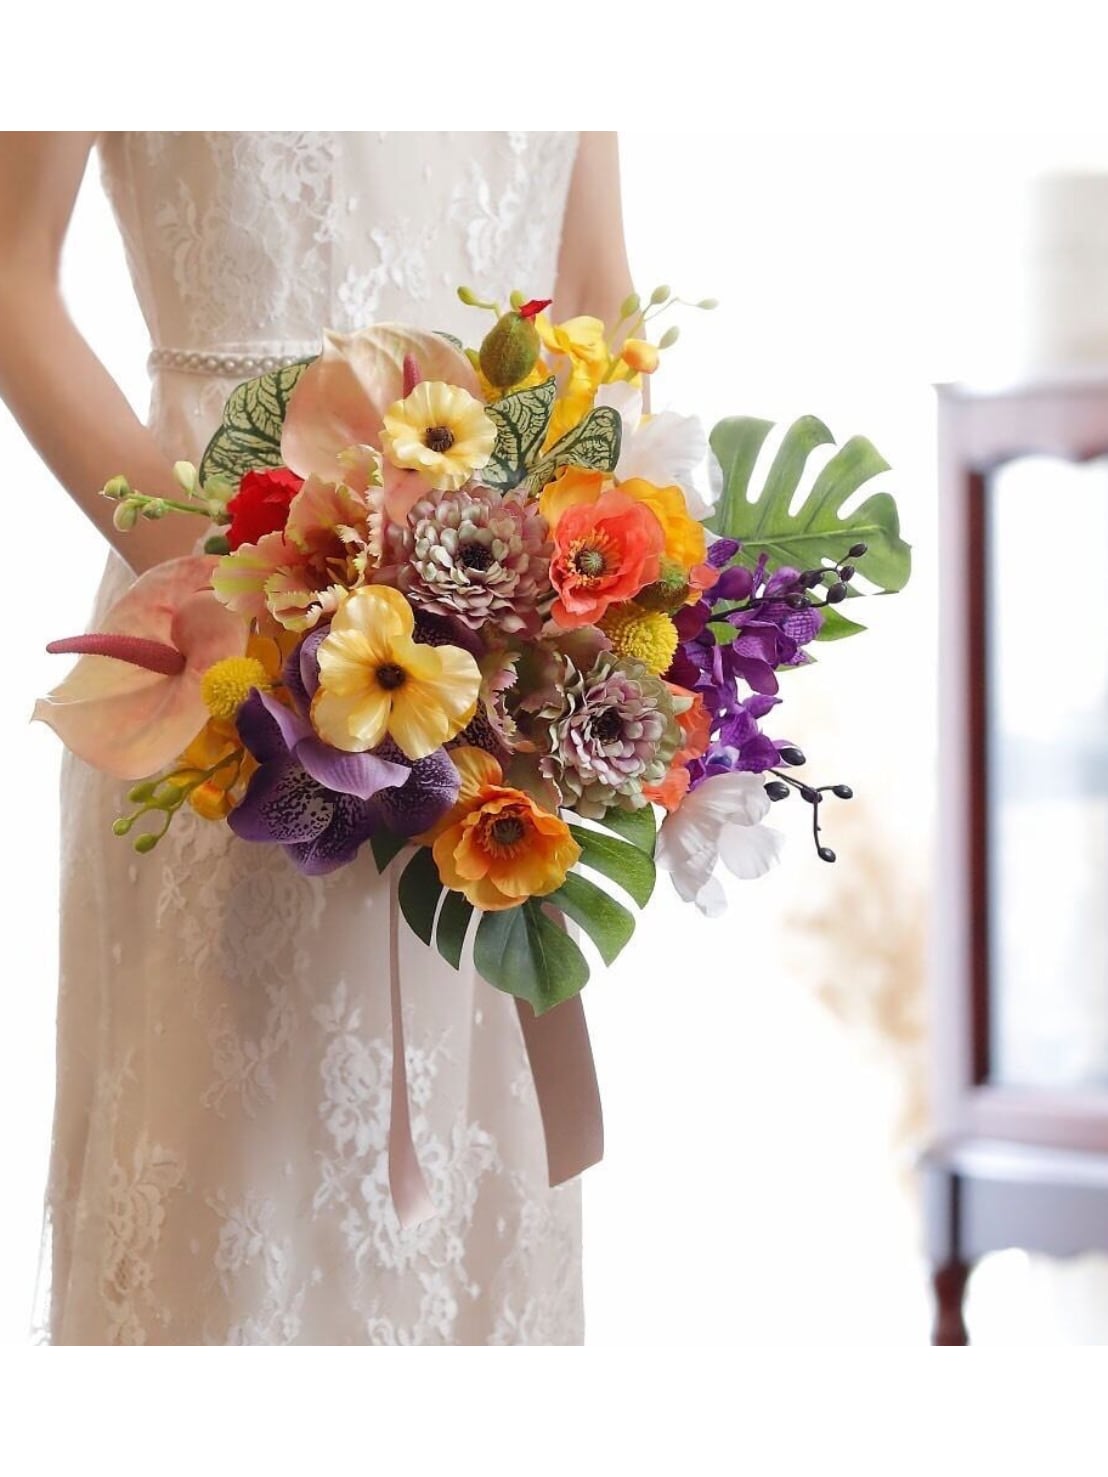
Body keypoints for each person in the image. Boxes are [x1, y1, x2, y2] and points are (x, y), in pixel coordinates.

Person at [0, 131, 637, 1345]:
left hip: (492, 648)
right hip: (220, 634)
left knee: (467, 1208)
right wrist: (240, 595)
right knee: (237, 1197)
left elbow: (595, 290)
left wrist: (577, 596)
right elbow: (11, 274)